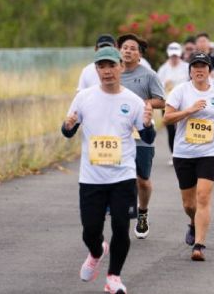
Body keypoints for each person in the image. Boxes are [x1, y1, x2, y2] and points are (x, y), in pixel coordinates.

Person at [62, 46, 156, 294]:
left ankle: (114, 277)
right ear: (96, 70)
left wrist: (147, 124)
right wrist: (67, 125)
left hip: (123, 176)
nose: (106, 71)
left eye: (111, 66)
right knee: (90, 230)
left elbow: (147, 135)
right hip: (91, 178)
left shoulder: (134, 101)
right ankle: (96, 252)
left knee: (121, 227)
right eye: (101, 67)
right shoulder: (84, 97)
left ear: (121, 67)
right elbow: (69, 130)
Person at [163, 52, 214, 261]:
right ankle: (193, 223)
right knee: (189, 204)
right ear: (190, 70)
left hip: (209, 151)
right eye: (195, 66)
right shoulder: (180, 91)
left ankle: (199, 245)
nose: (199, 70)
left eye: (203, 66)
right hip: (184, 152)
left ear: (209, 70)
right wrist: (189, 110)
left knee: (203, 197)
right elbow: (167, 118)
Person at [118, 33, 165, 239]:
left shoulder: (149, 75)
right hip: (118, 133)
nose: (128, 51)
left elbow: (161, 101)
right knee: (118, 176)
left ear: (139, 54)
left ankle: (143, 212)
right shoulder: (113, 73)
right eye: (125, 47)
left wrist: (141, 103)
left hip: (142, 131)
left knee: (142, 179)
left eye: (132, 48)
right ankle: (121, 211)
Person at [157, 42, 190, 160]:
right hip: (168, 103)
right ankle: (174, 154)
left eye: (176, 55)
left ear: (180, 54)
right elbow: (157, 86)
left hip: (184, 103)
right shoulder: (163, 69)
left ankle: (186, 152)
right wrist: (164, 84)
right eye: (172, 56)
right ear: (169, 55)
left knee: (184, 128)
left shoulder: (186, 67)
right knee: (171, 130)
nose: (174, 58)